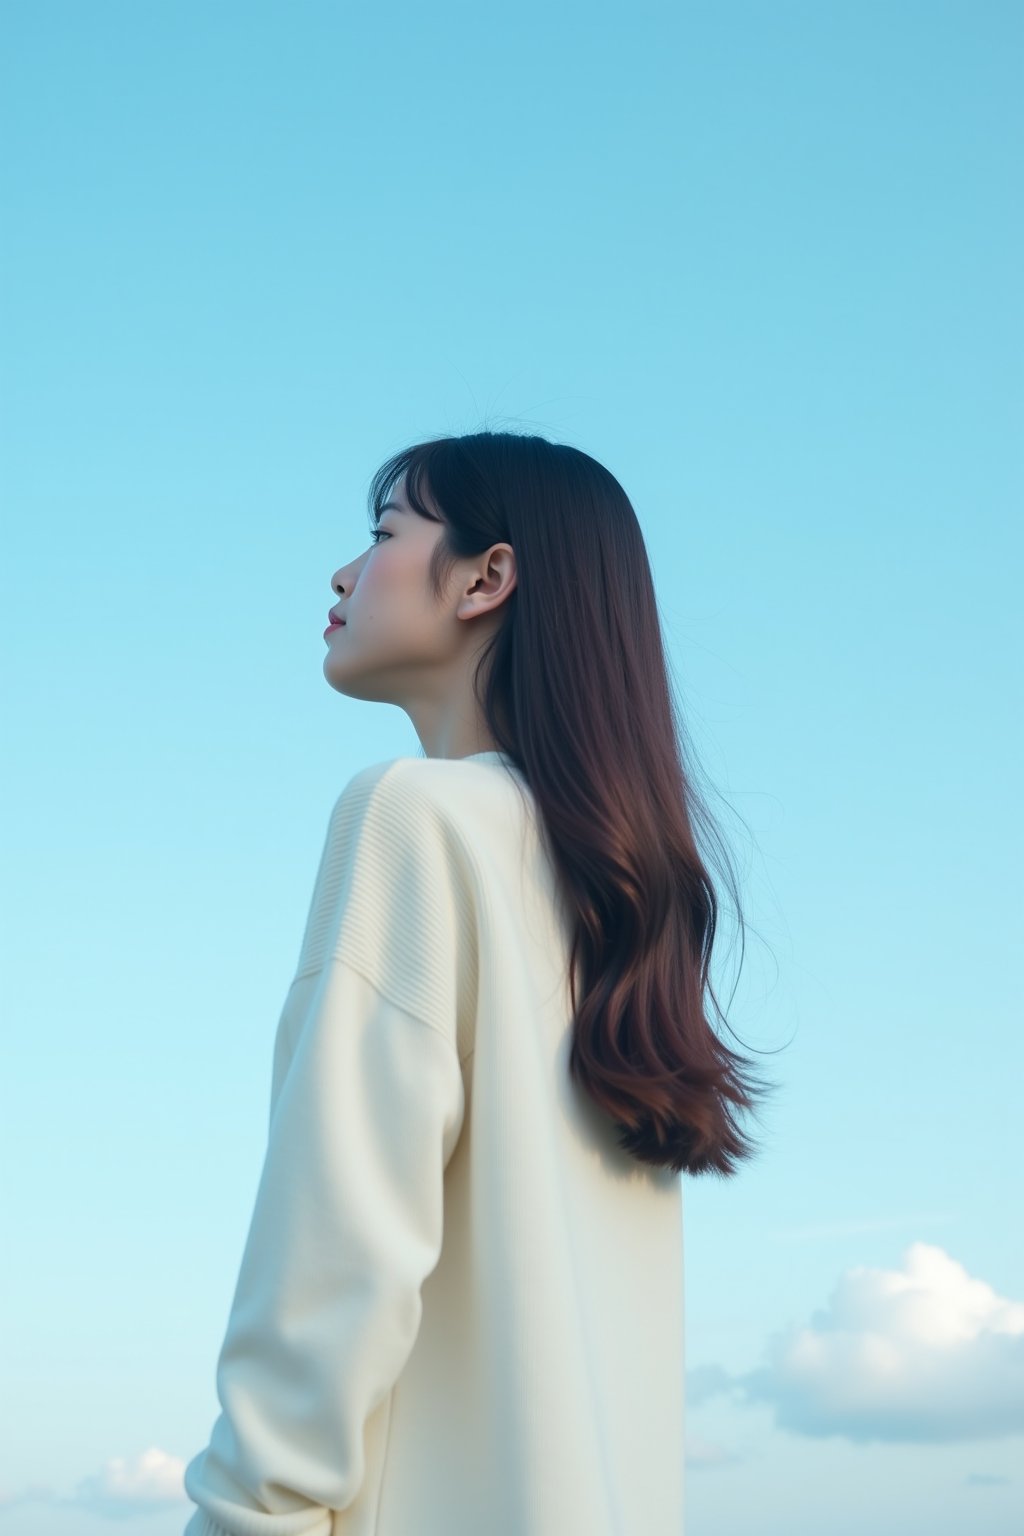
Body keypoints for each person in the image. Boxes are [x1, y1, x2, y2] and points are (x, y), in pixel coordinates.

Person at [182, 430, 773, 1536]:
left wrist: (246, 1517)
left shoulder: (413, 814)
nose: (344, 573)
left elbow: (333, 1261)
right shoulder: (620, 903)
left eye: (383, 532)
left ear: (486, 578)